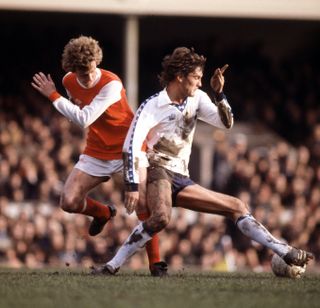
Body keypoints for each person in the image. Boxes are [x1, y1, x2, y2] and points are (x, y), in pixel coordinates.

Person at [92, 47, 314, 275]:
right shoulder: (152, 106)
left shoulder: (197, 98)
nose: (200, 83)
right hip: (158, 170)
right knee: (161, 217)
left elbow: (225, 122)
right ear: (180, 77)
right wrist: (132, 185)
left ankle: (284, 251)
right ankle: (112, 266)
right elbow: (131, 144)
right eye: (196, 78)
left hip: (181, 177)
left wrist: (219, 94)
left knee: (236, 206)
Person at [31, 35, 164, 276]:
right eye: (82, 74)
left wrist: (53, 95)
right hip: (96, 149)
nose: (88, 77)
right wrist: (65, 99)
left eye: (91, 70)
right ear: (72, 70)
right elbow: (77, 108)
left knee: (143, 203)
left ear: (97, 62)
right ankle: (104, 213)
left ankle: (156, 264)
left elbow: (83, 118)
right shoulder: (68, 80)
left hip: (128, 145)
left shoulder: (111, 83)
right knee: (68, 201)